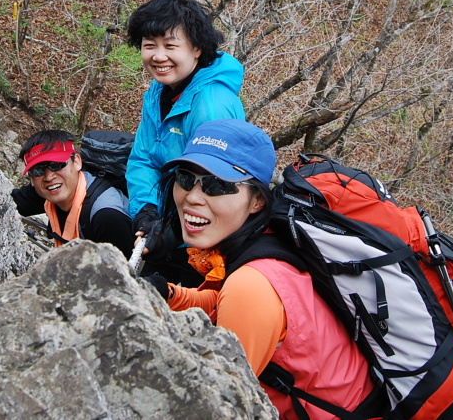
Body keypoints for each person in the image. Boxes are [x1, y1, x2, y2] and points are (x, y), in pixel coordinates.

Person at [144, 119, 373, 419]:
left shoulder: (253, 283)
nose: (193, 197)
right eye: (186, 178)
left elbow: (218, 403)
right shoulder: (263, 244)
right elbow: (222, 303)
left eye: (217, 185)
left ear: (256, 201)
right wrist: (170, 295)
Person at [124, 0, 246, 283]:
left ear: (197, 49)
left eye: (170, 45)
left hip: (203, 247)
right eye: (149, 45)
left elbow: (220, 188)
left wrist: (172, 231)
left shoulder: (211, 106)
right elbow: (143, 158)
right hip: (168, 231)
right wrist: (146, 210)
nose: (158, 56)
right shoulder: (159, 92)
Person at [12, 130, 135, 258]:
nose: (49, 177)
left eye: (56, 164)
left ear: (77, 162)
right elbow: (7, 203)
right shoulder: (49, 190)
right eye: (38, 170)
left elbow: (125, 273)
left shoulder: (107, 216)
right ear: (31, 179)